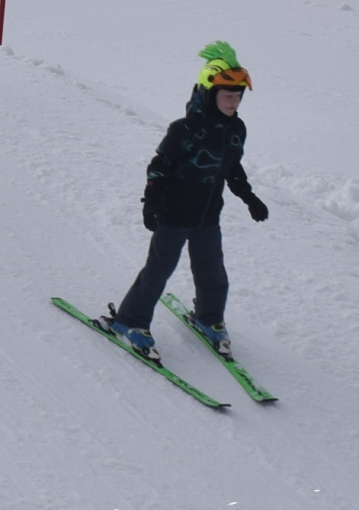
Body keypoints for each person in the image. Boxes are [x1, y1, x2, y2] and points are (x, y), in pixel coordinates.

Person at [103, 42, 268, 362]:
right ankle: (129, 321)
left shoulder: (236, 129)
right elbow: (159, 167)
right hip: (174, 214)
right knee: (158, 271)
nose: (234, 102)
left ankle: (208, 319)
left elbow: (231, 167)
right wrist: (150, 203)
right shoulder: (186, 129)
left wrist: (249, 197)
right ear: (208, 94)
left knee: (213, 274)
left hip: (208, 217)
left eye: (238, 96)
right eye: (227, 96)